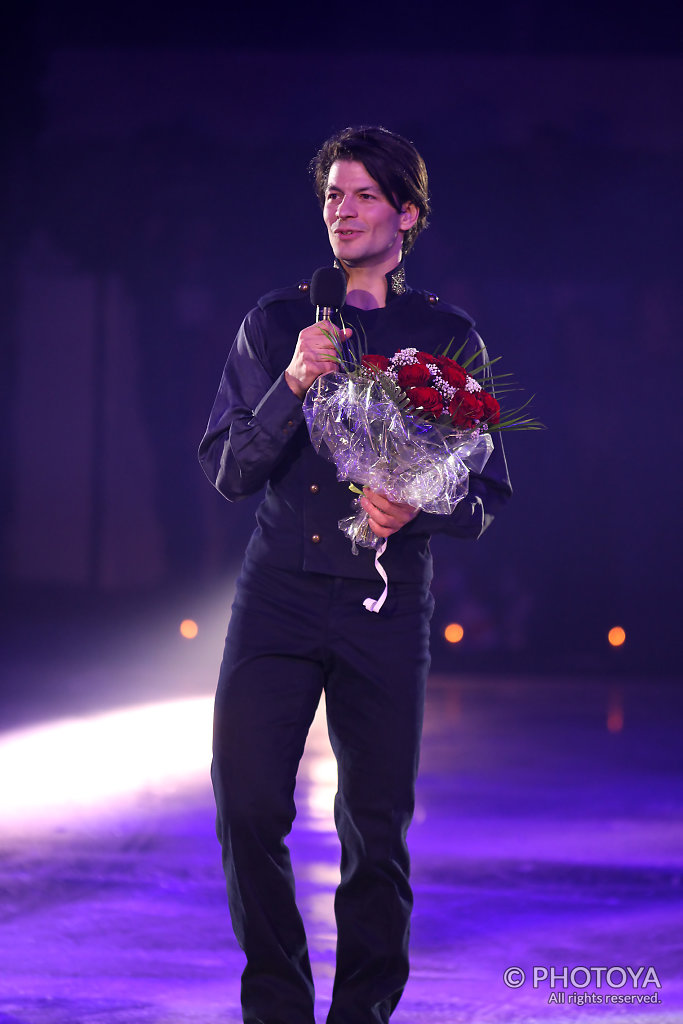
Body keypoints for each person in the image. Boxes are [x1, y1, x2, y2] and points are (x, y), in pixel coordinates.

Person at [199, 125, 512, 1024]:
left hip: (385, 602)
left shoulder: (445, 336)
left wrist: (416, 505)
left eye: (362, 195)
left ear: (405, 215)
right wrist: (290, 382)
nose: (342, 210)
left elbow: (485, 494)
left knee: (376, 829)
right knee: (248, 806)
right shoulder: (275, 323)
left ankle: (362, 1014)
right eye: (332, 196)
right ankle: (279, 1007)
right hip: (279, 598)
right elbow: (226, 468)